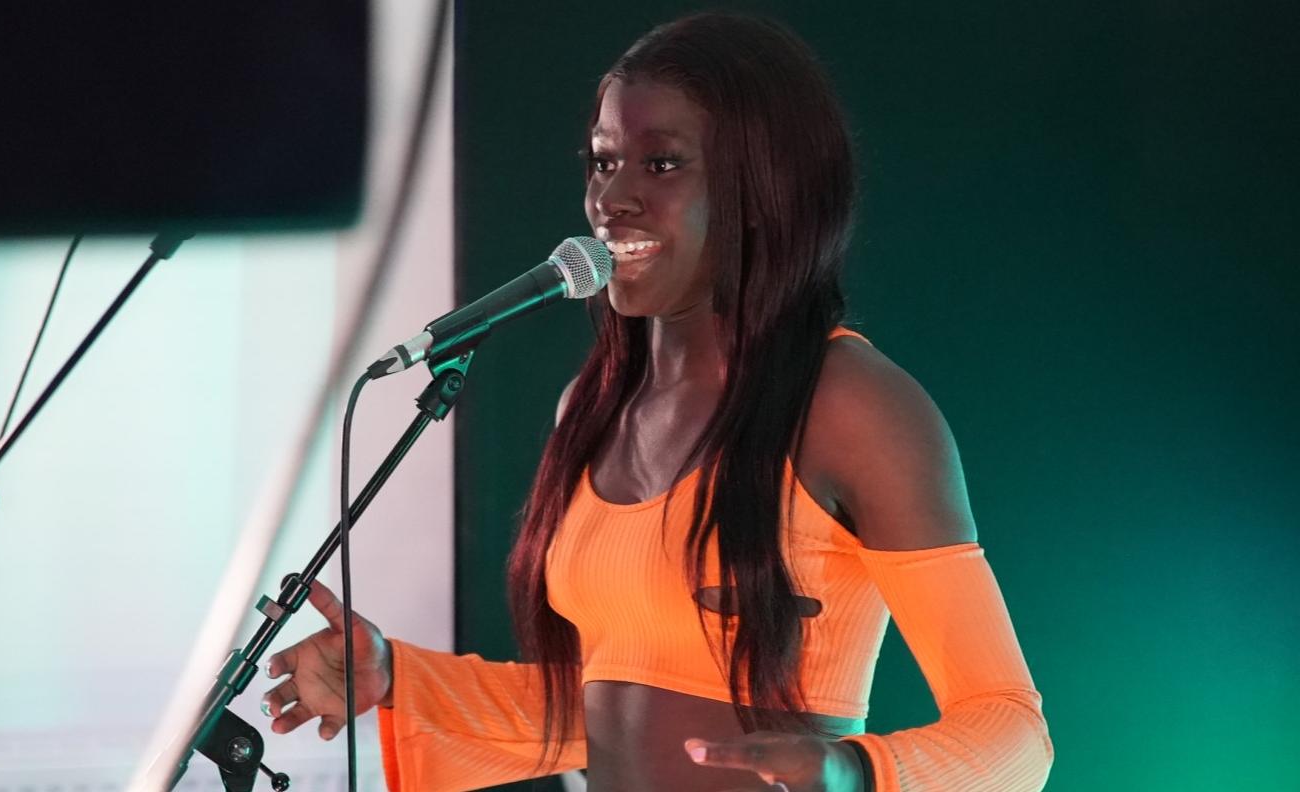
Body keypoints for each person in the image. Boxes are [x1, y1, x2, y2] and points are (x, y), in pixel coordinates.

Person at [262, 13, 1053, 791]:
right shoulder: (592, 406)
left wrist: (854, 772)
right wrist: (397, 675)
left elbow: (1013, 731)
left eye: (661, 164)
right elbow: (598, 713)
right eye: (604, 162)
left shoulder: (851, 405)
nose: (614, 197)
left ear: (761, 189)